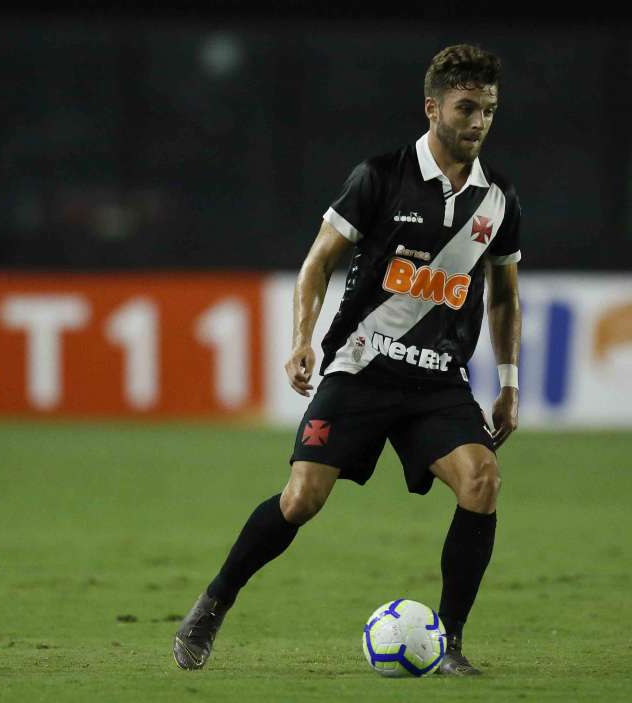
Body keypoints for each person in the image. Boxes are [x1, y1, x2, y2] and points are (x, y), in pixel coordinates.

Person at [172, 43, 522, 676]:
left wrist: (508, 382)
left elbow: (503, 299)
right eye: (466, 108)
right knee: (302, 498)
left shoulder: (499, 200)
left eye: (489, 110)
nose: (478, 122)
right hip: (361, 368)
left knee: (483, 480)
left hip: (435, 382)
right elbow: (315, 264)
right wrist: (303, 338)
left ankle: (450, 644)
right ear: (432, 107)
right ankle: (214, 602)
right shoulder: (381, 176)